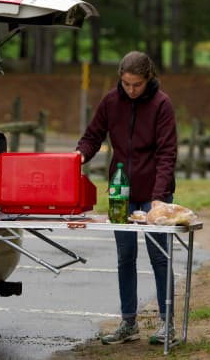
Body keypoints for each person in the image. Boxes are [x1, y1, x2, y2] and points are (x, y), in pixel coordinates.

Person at [75, 51, 177, 345]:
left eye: (137, 85)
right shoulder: (111, 101)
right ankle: (129, 323)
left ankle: (167, 324)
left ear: (149, 78)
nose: (131, 90)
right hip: (121, 193)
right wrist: (79, 155)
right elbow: (93, 136)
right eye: (126, 84)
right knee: (125, 257)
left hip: (155, 195)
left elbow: (167, 153)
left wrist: (158, 198)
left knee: (159, 257)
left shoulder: (162, 105)